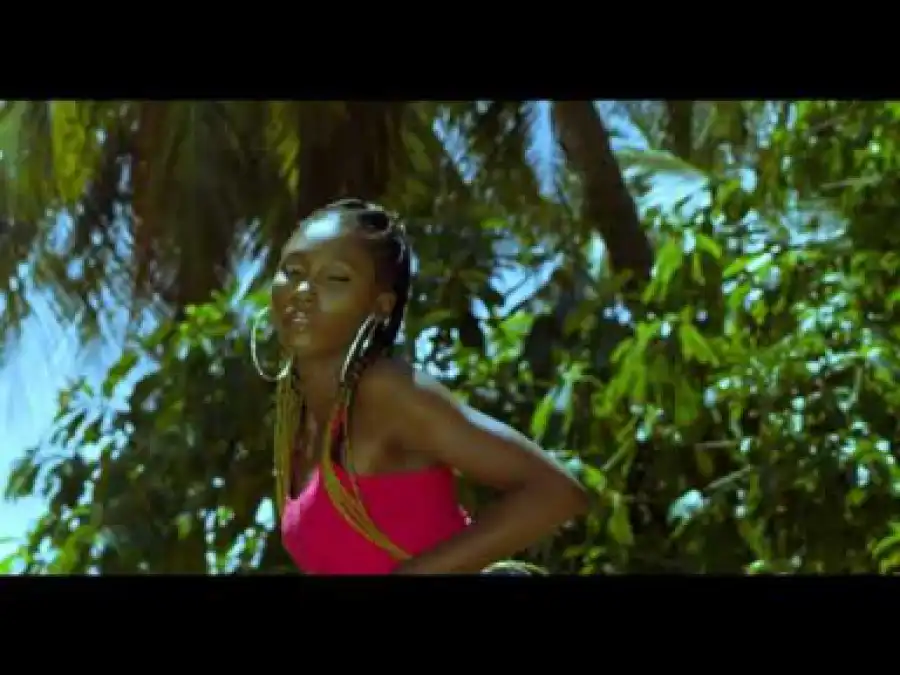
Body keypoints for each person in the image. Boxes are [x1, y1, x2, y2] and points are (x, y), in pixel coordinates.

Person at [251, 198, 588, 575]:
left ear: (380, 305)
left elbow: (555, 493)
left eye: (336, 278)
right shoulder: (300, 420)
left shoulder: (384, 392)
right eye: (292, 271)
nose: (303, 290)